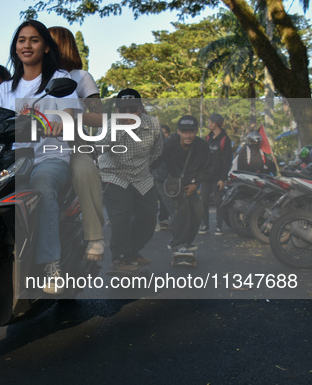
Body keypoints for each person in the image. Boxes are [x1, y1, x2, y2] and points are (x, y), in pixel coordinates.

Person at [0, 20, 80, 294]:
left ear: (45, 47)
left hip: (49, 158)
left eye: (34, 40)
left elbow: (73, 115)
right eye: (21, 40)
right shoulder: (6, 88)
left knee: (42, 186)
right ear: (15, 47)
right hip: (12, 161)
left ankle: (51, 264)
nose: (26, 45)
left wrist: (61, 122)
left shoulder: (59, 80)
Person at [49, 25, 105, 262]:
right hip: (37, 141)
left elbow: (99, 117)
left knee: (84, 169)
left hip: (74, 142)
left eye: (47, 41)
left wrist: (72, 115)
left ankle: (94, 236)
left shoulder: (81, 78)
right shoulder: (33, 77)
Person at [98, 88, 162, 269]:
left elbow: (157, 152)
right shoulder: (111, 125)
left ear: (141, 108)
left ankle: (132, 251)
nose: (129, 115)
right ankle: (120, 257)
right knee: (121, 217)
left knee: (149, 218)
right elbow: (98, 148)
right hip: (114, 174)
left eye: (133, 110)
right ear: (116, 110)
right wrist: (119, 130)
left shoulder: (154, 125)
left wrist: (145, 167)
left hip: (142, 176)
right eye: (123, 111)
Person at [157, 115, 211, 258]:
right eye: (184, 131)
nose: (188, 135)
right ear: (178, 132)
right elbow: (155, 162)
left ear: (196, 131)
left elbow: (207, 169)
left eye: (191, 131)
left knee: (198, 211)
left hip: (188, 182)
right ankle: (177, 245)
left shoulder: (202, 146)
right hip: (166, 181)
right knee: (180, 210)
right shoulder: (169, 144)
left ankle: (185, 241)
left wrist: (196, 184)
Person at [198, 113, 233, 236]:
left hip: (218, 178)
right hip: (206, 176)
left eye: (210, 122)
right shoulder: (208, 138)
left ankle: (219, 226)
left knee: (219, 203)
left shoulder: (225, 139)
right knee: (204, 201)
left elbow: (227, 160)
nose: (208, 124)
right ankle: (205, 224)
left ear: (215, 123)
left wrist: (223, 178)